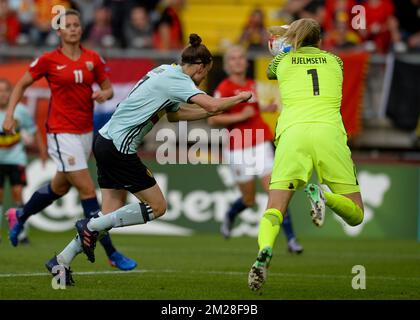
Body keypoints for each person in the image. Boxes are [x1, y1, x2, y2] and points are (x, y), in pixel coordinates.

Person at [44, 33, 252, 285]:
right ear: (199, 65)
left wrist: (216, 107)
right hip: (120, 148)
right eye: (205, 72)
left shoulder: (164, 71)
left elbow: (176, 116)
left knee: (108, 212)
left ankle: (61, 261)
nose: (203, 78)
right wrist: (238, 99)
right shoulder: (178, 80)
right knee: (157, 207)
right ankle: (90, 226)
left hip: (105, 141)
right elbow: (211, 106)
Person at [2, 9, 137, 271]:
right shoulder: (48, 60)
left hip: (84, 132)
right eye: (68, 25)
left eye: (77, 24)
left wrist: (104, 95)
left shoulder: (93, 59)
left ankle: (19, 214)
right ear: (59, 31)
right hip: (60, 132)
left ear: (81, 29)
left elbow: (108, 88)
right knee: (87, 191)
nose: (73, 29)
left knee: (59, 187)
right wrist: (9, 115)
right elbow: (21, 85)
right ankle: (111, 252)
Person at [248, 18, 364, 291]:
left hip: (293, 134)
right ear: (320, 40)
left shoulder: (283, 62)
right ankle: (324, 195)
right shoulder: (336, 61)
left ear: (295, 39)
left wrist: (283, 46)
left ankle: (265, 250)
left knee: (274, 209)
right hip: (329, 134)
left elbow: (271, 71)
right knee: (356, 214)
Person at [208, 46, 303, 254]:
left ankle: (291, 240)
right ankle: (230, 215)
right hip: (238, 148)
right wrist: (241, 117)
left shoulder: (251, 84)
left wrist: (262, 109)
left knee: (276, 193)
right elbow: (213, 119)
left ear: (246, 62)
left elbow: (249, 108)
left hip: (260, 143)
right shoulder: (224, 88)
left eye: (241, 57)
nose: (238, 61)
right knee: (249, 200)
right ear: (227, 65)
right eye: (233, 58)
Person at [0, 79, 46, 244]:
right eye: (0, 91)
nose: (2, 94)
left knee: (18, 195)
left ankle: (21, 232)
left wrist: (42, 153)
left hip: (16, 159)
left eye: (5, 91)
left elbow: (35, 132)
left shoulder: (20, 111)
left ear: (11, 93)